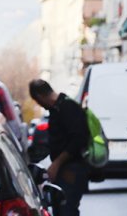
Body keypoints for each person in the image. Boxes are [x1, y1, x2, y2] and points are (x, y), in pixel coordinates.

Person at [29, 78, 89, 216]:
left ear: (40, 96)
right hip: (66, 169)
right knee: (62, 210)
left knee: (67, 210)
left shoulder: (68, 108)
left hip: (72, 169)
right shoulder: (56, 109)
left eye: (38, 101)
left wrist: (56, 164)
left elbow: (78, 140)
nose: (40, 105)